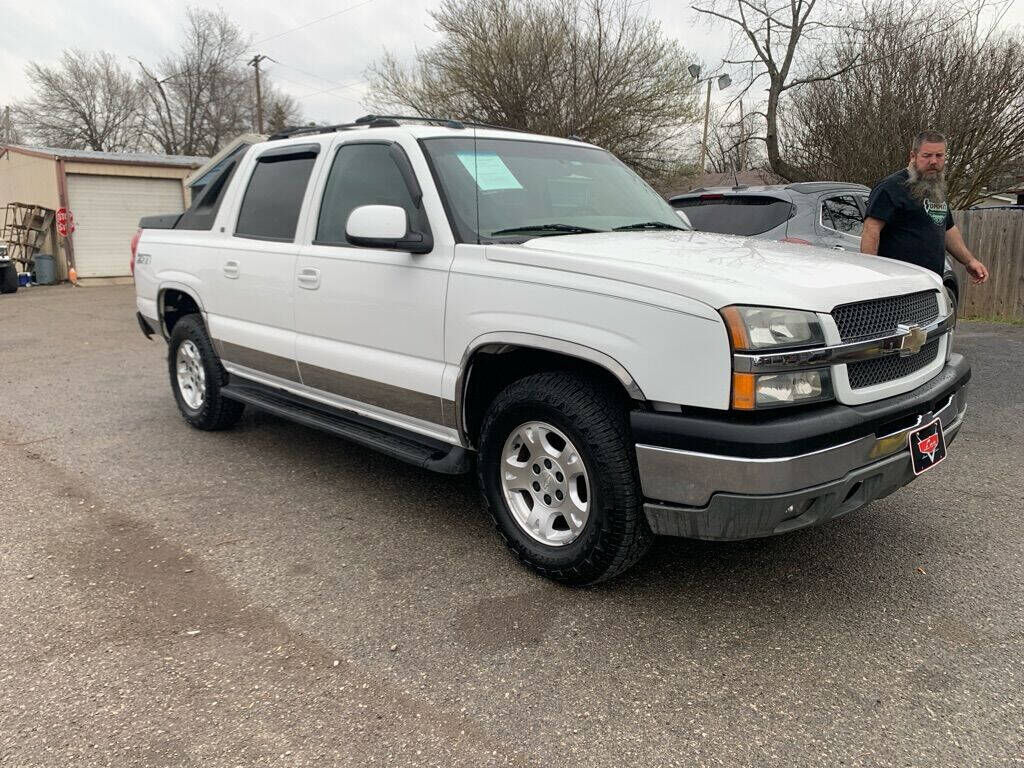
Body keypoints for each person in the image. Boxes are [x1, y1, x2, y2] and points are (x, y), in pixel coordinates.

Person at [861, 130, 988, 286]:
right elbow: (871, 229)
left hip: (932, 282)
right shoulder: (891, 187)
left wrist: (969, 261)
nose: (933, 161)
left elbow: (947, 228)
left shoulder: (936, 188)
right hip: (897, 284)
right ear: (913, 156)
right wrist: (871, 274)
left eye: (939, 156)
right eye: (927, 156)